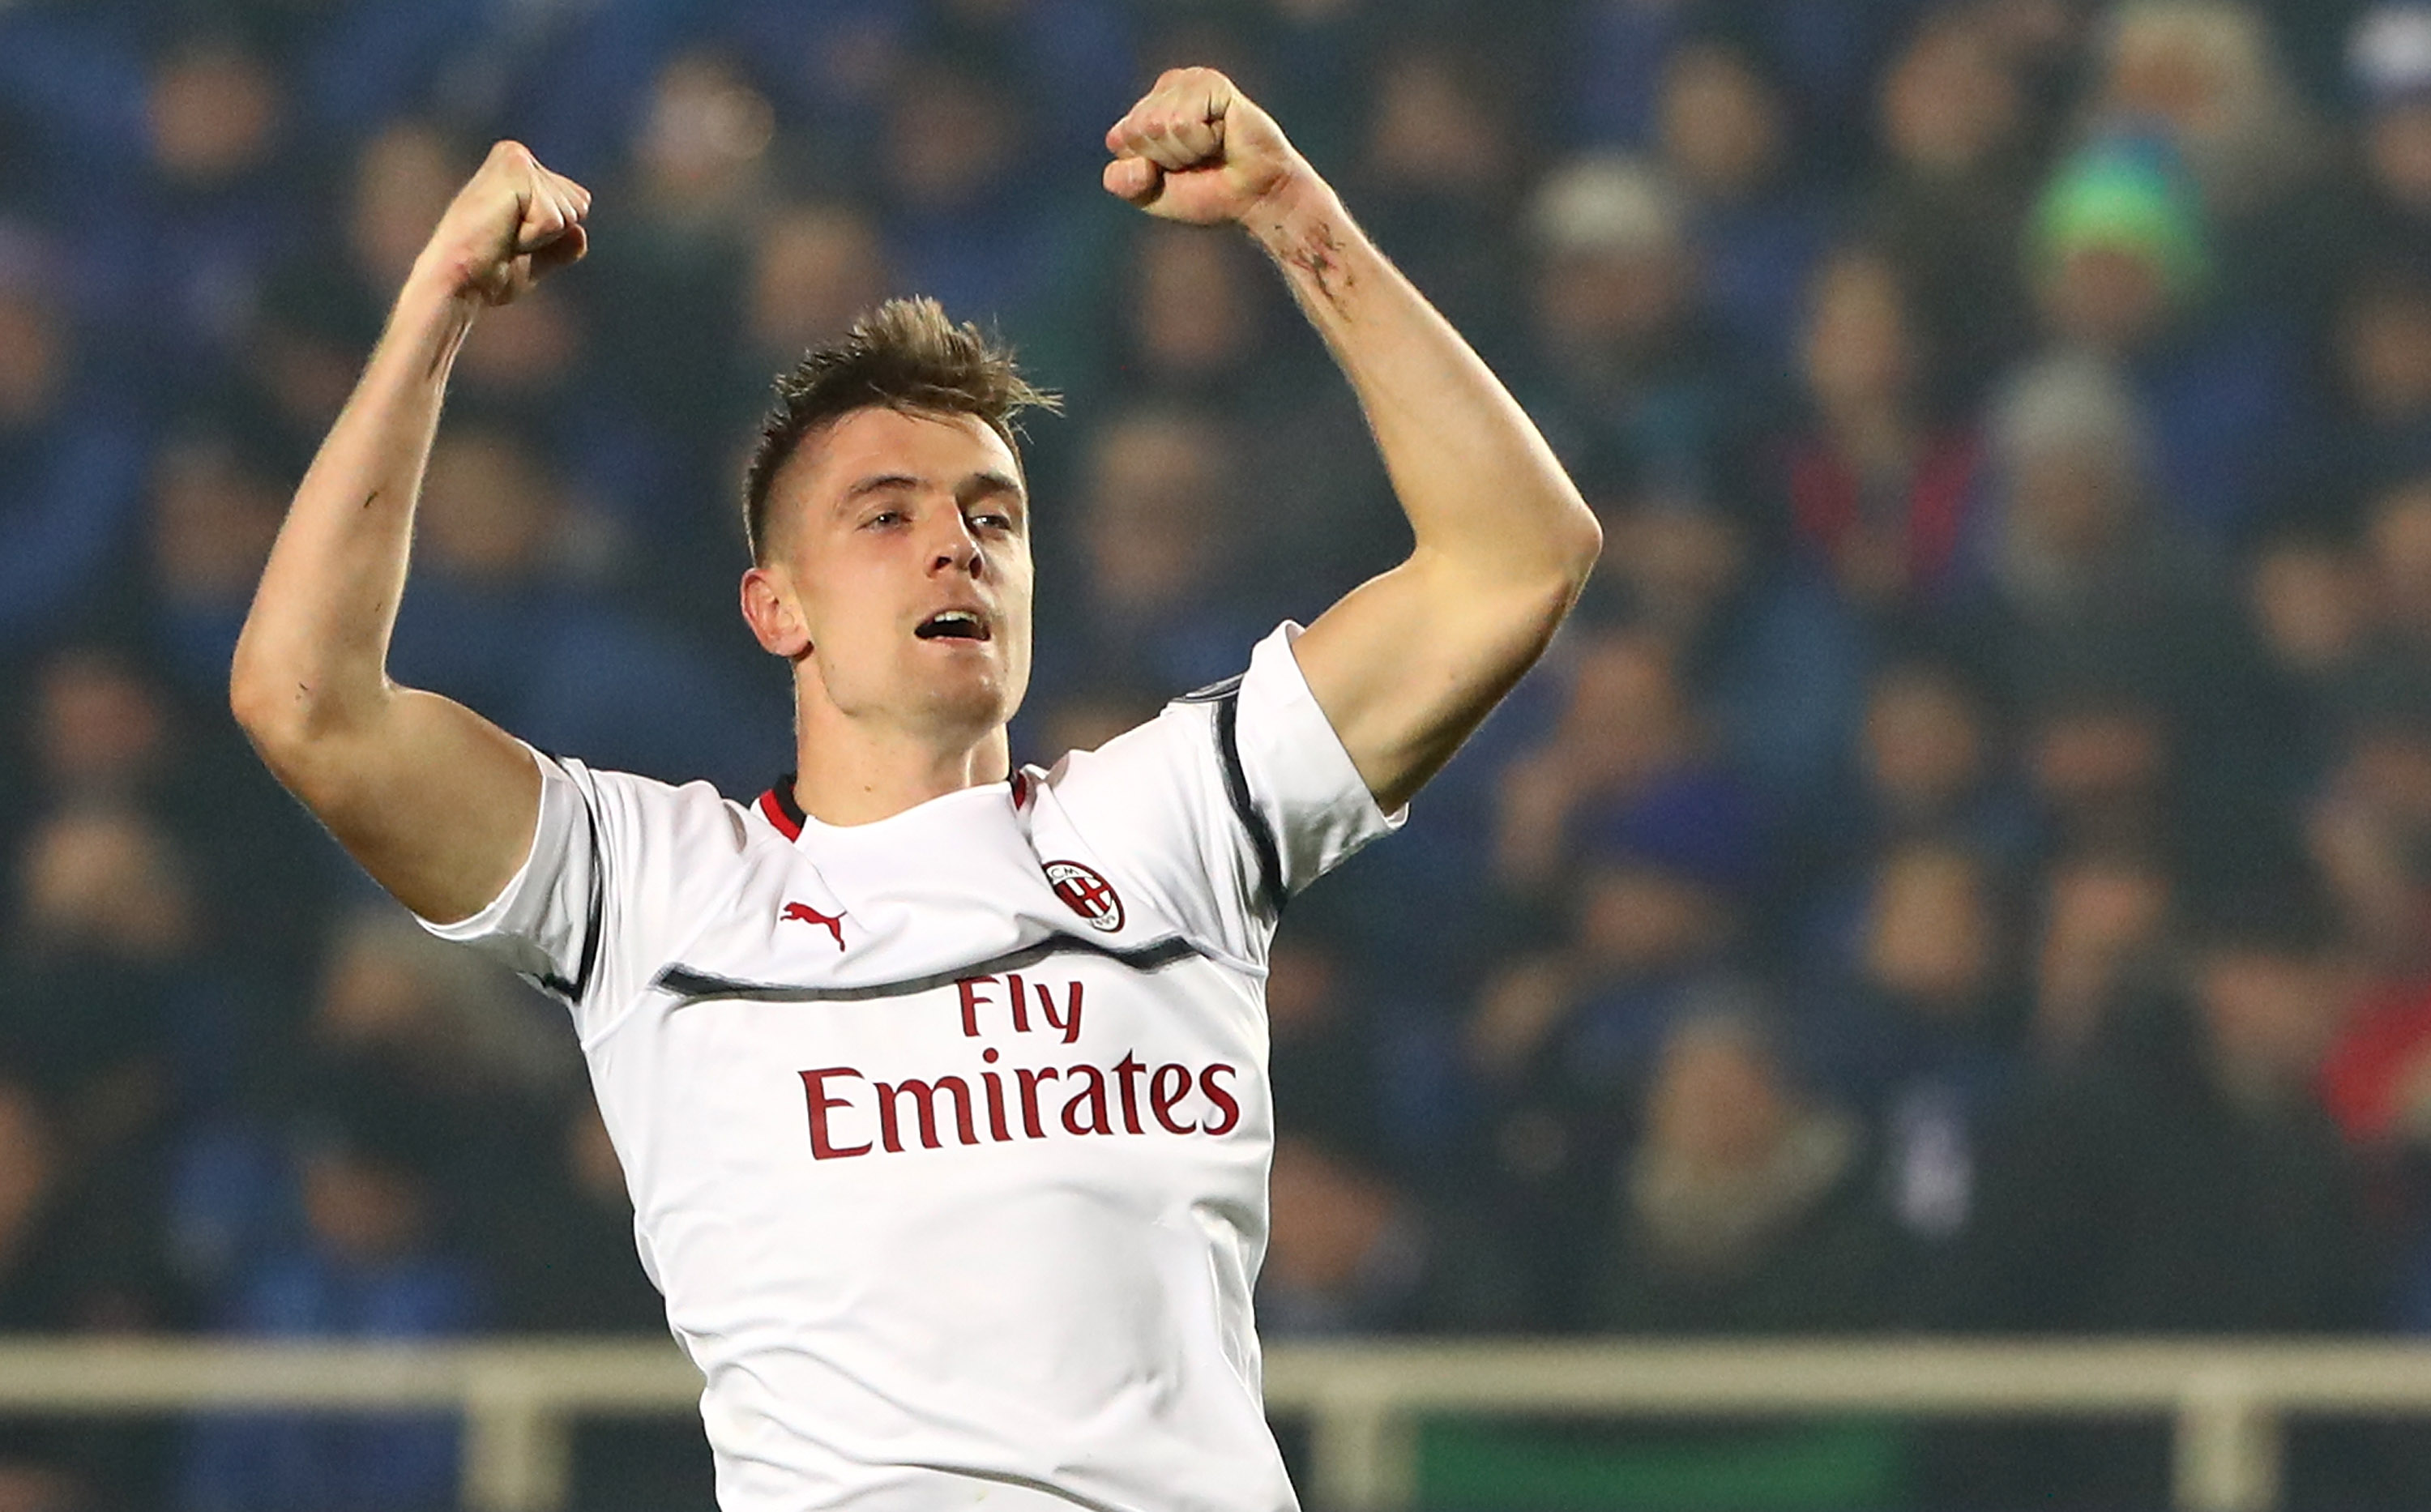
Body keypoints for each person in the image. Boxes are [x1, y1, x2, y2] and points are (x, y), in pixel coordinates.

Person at [226, 67, 1599, 1512]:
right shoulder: (656, 889)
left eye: (991, 514)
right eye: (886, 515)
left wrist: (1293, 214)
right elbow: (308, 701)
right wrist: (438, 304)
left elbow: (1517, 557)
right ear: (777, 608)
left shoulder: (1171, 822)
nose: (957, 544)